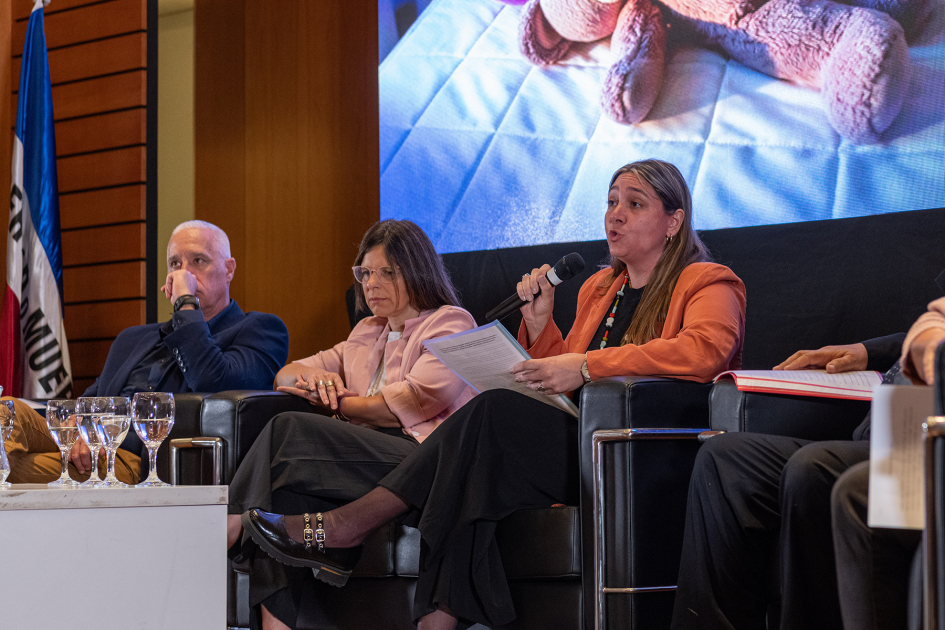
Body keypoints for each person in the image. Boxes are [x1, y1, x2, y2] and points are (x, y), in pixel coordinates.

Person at [241, 159, 747, 630]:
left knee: (492, 417)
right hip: (577, 441)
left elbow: (705, 351)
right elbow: (562, 368)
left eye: (634, 204)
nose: (615, 216)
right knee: (477, 463)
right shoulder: (600, 289)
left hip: (638, 455)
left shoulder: (708, 281)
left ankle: (350, 526)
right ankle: (438, 618)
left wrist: (585, 363)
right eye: (611, 201)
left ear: (674, 220)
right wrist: (540, 327)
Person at [226, 219, 478, 630]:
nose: (371, 283)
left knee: (288, 428)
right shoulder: (367, 332)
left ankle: (231, 523)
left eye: (386, 273)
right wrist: (314, 382)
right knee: (282, 494)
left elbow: (413, 402)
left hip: (422, 460)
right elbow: (286, 374)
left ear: (416, 271)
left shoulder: (451, 323)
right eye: (364, 273)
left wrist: (341, 404)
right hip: (364, 459)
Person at [1, 220, 289, 485]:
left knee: (17, 468)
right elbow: (93, 397)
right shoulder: (134, 338)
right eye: (175, 263)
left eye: (198, 261)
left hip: (141, 460)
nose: (184, 273)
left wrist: (186, 305)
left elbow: (213, 380)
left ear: (229, 269)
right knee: (6, 411)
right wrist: (81, 422)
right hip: (87, 447)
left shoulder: (260, 329)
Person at [670, 332, 907, 630]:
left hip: (921, 444)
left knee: (813, 468)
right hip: (882, 433)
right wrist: (867, 352)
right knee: (724, 459)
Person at [831, 297, 945, 630]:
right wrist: (932, 350)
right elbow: (931, 321)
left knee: (855, 491)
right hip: (905, 424)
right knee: (728, 456)